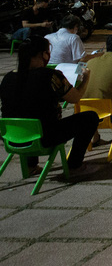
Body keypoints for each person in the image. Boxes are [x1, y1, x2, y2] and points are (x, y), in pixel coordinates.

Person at [0, 37, 99, 174]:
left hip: (11, 137)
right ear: (44, 54)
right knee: (90, 117)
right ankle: (74, 164)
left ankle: (30, 166)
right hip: (45, 137)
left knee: (26, 113)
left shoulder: (8, 78)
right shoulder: (50, 76)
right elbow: (75, 98)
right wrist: (86, 79)